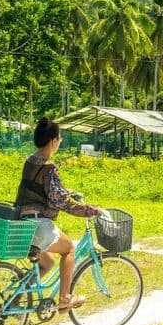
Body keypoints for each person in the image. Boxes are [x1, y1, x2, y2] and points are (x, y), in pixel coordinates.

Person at [15, 117, 103, 312]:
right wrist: (91, 210)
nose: (59, 143)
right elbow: (60, 201)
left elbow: (43, 191)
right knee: (69, 248)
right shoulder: (49, 166)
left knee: (47, 262)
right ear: (53, 141)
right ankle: (65, 299)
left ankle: (14, 300)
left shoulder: (29, 161)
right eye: (60, 140)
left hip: (21, 223)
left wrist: (66, 192)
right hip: (38, 225)